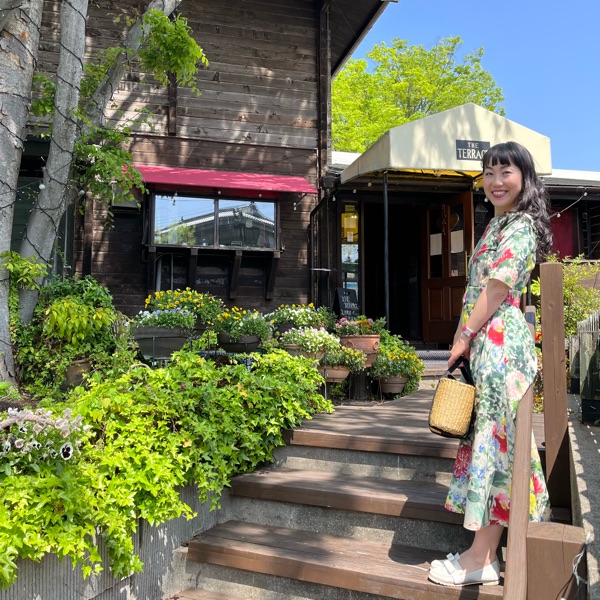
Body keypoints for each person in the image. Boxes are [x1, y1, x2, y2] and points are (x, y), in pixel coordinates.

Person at [428, 141, 553, 587]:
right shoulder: (498, 224)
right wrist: (465, 338)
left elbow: (498, 288)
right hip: (489, 344)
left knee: (494, 447)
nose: (496, 181)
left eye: (506, 172)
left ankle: (481, 558)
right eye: (489, 173)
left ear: (525, 178)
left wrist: (463, 336)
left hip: (500, 346)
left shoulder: (520, 225)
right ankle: (482, 553)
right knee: (492, 443)